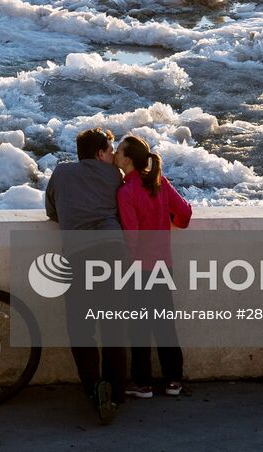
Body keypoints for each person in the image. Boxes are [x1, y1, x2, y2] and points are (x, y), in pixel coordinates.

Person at [45, 126, 129, 424]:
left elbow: (52, 211)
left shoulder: (61, 174)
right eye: (110, 152)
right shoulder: (115, 176)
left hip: (77, 255)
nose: (113, 157)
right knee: (114, 327)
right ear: (99, 153)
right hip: (112, 251)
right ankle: (116, 392)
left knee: (81, 328)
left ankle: (94, 388)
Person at [115, 134, 192, 399]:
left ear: (127, 159)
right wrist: (170, 220)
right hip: (163, 266)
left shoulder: (126, 192)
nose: (115, 154)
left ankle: (142, 383)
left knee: (138, 327)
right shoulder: (159, 183)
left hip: (139, 268)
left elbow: (131, 238)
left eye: (118, 151)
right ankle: (174, 381)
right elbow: (185, 213)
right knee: (164, 325)